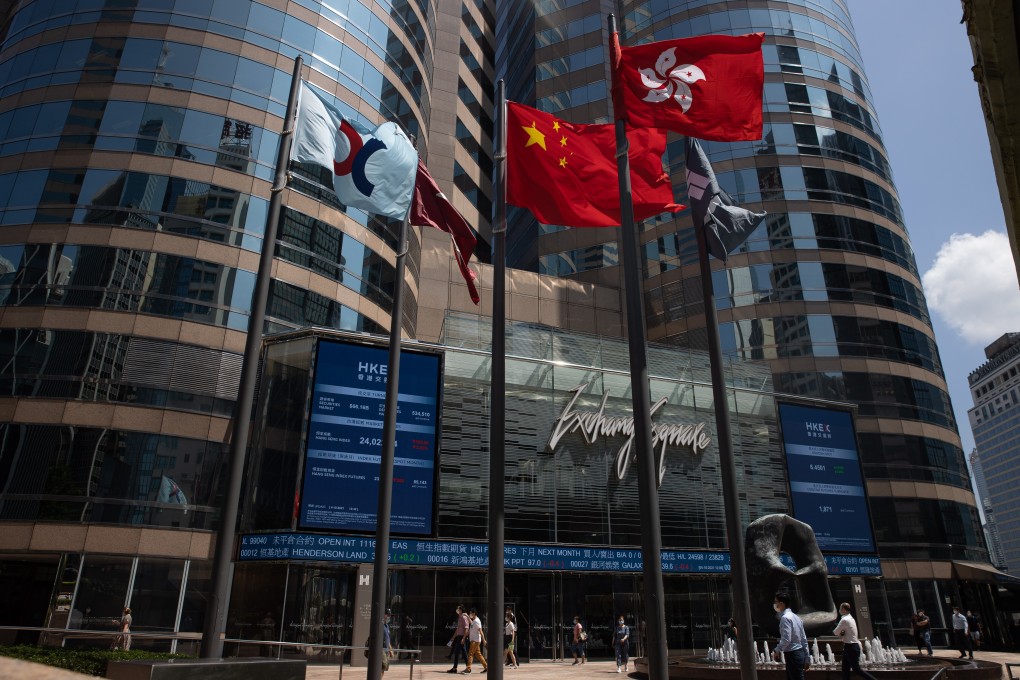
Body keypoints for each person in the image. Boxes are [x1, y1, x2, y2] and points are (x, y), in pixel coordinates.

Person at [833, 602, 879, 680]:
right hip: (851, 646)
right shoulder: (851, 618)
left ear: (843, 609)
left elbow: (835, 632)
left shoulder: (844, 620)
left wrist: (841, 633)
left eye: (840, 608)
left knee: (856, 669)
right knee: (845, 669)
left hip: (851, 647)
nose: (839, 610)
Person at [771, 592, 808, 680]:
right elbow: (803, 639)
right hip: (799, 653)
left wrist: (777, 650)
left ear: (782, 603)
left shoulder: (785, 618)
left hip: (792, 655)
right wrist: (807, 657)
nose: (775, 604)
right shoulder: (796, 617)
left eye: (776, 602)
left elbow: (786, 639)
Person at [464, 608, 488, 673]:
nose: (470, 614)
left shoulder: (477, 621)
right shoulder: (474, 621)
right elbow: (471, 623)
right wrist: (467, 616)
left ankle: (468, 668)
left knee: (470, 654)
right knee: (478, 654)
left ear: (474, 613)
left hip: (475, 640)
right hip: (475, 640)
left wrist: (484, 640)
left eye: (471, 613)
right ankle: (486, 667)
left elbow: (481, 631)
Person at [449, 605, 470, 673]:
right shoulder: (460, 617)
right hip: (459, 637)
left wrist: (463, 638)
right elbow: (458, 629)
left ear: (461, 610)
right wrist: (453, 637)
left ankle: (468, 668)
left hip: (462, 637)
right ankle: (455, 668)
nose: (457, 610)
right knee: (457, 652)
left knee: (463, 653)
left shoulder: (464, 617)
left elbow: (467, 628)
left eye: (458, 608)